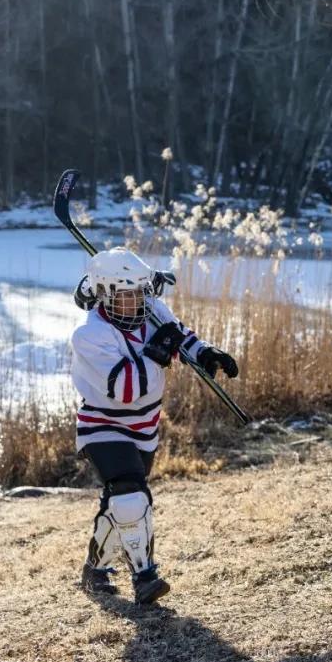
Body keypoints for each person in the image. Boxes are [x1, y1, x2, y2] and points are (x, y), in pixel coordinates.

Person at [71, 247, 238, 604]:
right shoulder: (89, 335)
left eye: (139, 293)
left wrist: (206, 353)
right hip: (103, 426)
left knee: (121, 503)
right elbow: (126, 390)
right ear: (105, 294)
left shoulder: (151, 311)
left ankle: (94, 571)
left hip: (144, 429)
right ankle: (145, 577)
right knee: (131, 496)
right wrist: (158, 352)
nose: (134, 302)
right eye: (124, 295)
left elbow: (178, 335)